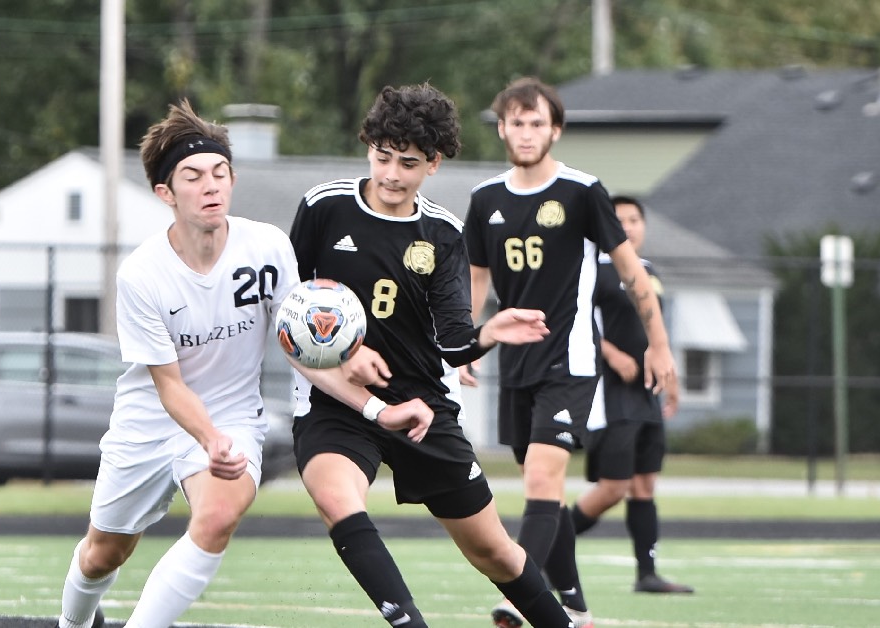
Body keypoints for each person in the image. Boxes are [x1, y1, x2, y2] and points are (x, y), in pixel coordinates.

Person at [286, 83, 573, 628]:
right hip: (334, 400)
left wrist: (490, 333)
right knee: (338, 501)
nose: (392, 173)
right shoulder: (324, 207)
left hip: (420, 405)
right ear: (368, 145)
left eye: (409, 163)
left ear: (434, 164)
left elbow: (455, 342)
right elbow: (289, 311)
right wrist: (342, 356)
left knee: (494, 552)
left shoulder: (441, 234)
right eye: (382, 156)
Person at [55, 101, 301, 628]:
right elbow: (168, 385)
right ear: (165, 193)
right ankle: (73, 624)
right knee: (104, 553)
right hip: (151, 419)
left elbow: (299, 341)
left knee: (215, 517)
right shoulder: (141, 274)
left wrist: (364, 393)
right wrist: (207, 437)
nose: (211, 185)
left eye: (219, 173)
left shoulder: (270, 247)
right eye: (193, 176)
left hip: (233, 415)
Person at [462, 77, 678, 628]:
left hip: (572, 361)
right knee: (548, 496)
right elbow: (477, 277)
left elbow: (633, 275)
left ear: (554, 129)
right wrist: (467, 343)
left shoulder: (582, 191)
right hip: (516, 364)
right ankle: (577, 612)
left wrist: (659, 347)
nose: (526, 132)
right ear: (502, 128)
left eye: (537, 122)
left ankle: (519, 599)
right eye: (516, 122)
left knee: (540, 482)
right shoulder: (486, 198)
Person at [569, 195, 692, 594]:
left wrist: (669, 375)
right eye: (619, 219)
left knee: (644, 484)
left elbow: (654, 327)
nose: (627, 226)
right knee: (613, 487)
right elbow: (575, 319)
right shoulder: (591, 268)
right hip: (609, 392)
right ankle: (543, 549)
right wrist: (611, 353)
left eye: (634, 219)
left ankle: (647, 575)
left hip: (645, 392)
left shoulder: (647, 270)